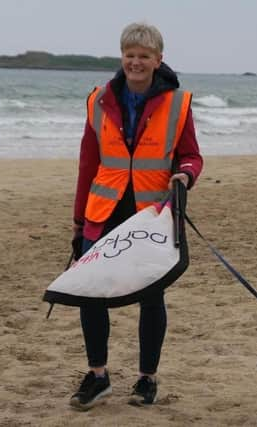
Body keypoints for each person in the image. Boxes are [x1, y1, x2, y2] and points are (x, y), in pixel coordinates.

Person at [69, 22, 203, 410]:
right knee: (89, 290)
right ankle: (98, 376)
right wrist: (79, 220)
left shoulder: (178, 103)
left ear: (158, 60)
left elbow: (192, 156)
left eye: (144, 56)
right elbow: (87, 164)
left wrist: (186, 174)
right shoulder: (99, 100)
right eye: (130, 55)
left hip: (152, 213)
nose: (136, 62)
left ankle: (147, 379)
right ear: (121, 57)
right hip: (103, 209)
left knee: (151, 295)